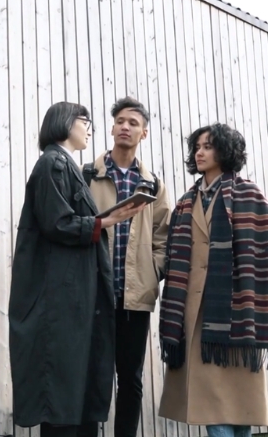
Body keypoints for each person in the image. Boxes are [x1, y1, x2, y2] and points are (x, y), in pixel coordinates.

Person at [9, 102, 145, 437]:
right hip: (59, 299)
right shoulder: (53, 164)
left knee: (77, 387)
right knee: (61, 389)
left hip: (72, 297)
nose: (89, 129)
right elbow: (58, 223)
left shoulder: (63, 165)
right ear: (66, 122)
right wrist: (106, 220)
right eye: (86, 122)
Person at [157, 123, 268, 437]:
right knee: (213, 403)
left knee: (239, 405)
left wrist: (243, 268)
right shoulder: (187, 201)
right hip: (194, 312)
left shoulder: (246, 193)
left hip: (235, 309)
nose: (199, 152)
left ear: (225, 151)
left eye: (208, 146)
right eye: (197, 147)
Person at [83, 97, 171, 437]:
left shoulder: (154, 185)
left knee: (130, 379)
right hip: (95, 297)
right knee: (91, 375)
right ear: (111, 127)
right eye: (120, 120)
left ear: (143, 133)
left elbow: (164, 237)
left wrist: (152, 270)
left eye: (133, 123)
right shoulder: (88, 175)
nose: (125, 126)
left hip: (135, 298)